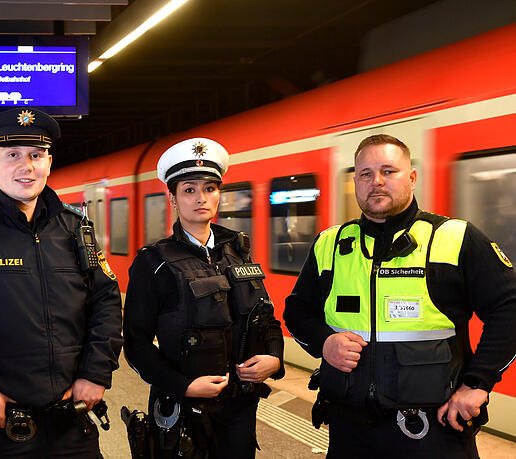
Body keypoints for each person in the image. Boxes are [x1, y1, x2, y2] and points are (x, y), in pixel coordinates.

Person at [283, 134, 516, 458]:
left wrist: (477, 384)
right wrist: (324, 342)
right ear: (356, 181)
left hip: (432, 431)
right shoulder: (330, 244)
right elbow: (296, 311)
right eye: (365, 174)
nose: (376, 181)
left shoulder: (454, 238)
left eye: (388, 171)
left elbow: (509, 307)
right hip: (349, 428)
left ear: (412, 178)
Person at [0, 108, 123, 458]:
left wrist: (95, 374)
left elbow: (106, 303)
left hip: (73, 420)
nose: (26, 166)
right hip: (2, 424)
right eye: (12, 155)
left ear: (48, 162)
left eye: (35, 155)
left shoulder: (76, 228)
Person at [123, 138, 284, 458]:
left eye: (210, 188)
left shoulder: (238, 253)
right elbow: (136, 345)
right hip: (182, 414)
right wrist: (182, 386)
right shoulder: (153, 262)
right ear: (172, 198)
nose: (201, 198)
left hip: (239, 411)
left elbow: (266, 319)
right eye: (189, 190)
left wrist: (275, 359)